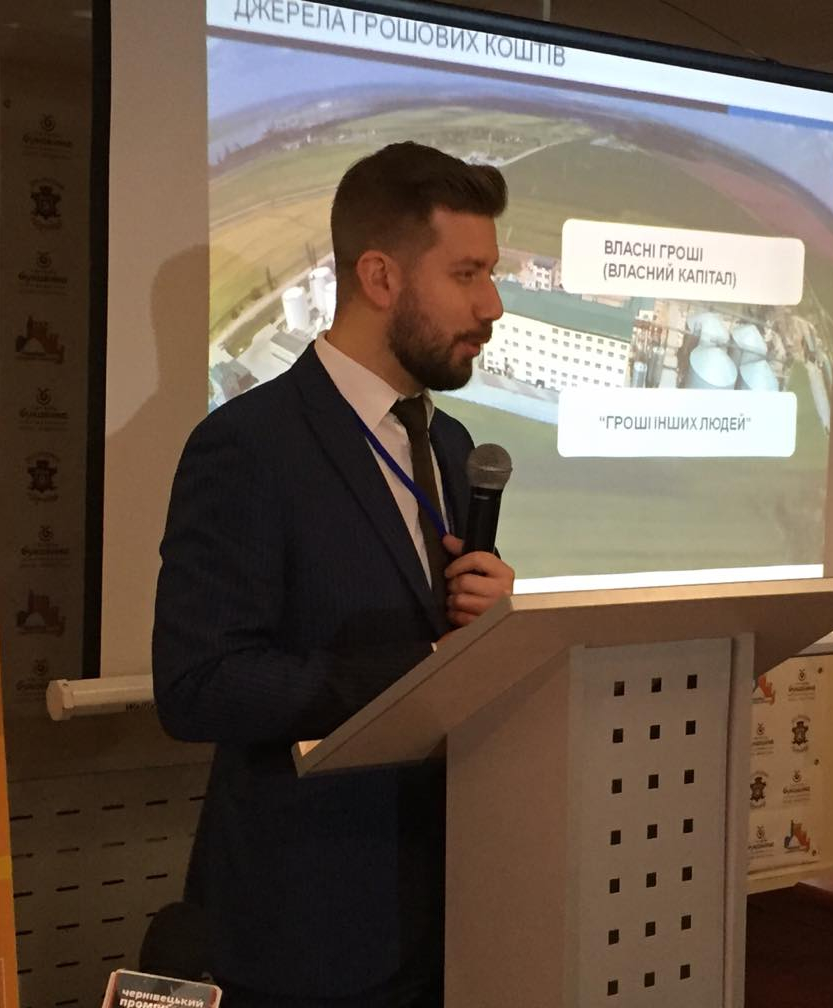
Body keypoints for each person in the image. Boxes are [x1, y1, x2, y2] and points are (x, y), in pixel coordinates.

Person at [154, 141, 515, 1007]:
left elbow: (442, 644)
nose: (492, 305)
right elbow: (198, 685)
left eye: (492, 274)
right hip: (304, 936)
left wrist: (493, 620)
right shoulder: (248, 446)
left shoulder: (452, 445)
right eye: (467, 274)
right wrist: (423, 670)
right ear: (380, 277)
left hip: (447, 917)